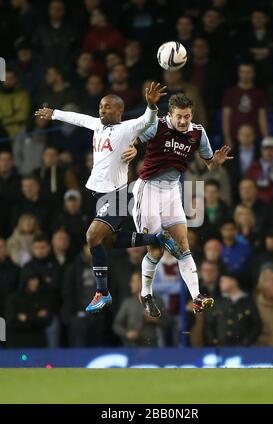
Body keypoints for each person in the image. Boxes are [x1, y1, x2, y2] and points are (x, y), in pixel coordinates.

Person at [35, 82, 181, 313]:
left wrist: (151, 105)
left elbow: (147, 121)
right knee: (108, 241)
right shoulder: (97, 125)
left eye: (107, 107)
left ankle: (102, 292)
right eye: (101, 106)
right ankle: (156, 239)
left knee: (92, 236)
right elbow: (79, 118)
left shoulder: (127, 128)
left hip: (117, 194)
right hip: (98, 194)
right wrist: (54, 114)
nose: (101, 110)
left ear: (119, 111)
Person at [131, 93, 233, 317]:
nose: (183, 121)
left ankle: (196, 296)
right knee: (156, 250)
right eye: (179, 117)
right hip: (147, 190)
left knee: (183, 246)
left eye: (187, 116)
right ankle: (146, 293)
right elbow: (133, 139)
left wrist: (215, 163)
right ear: (170, 115)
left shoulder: (197, 133)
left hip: (172, 191)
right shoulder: (155, 126)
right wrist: (130, 149)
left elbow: (209, 165)